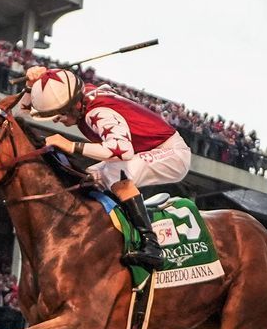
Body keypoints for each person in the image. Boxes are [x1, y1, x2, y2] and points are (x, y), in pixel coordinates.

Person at [22, 66, 192, 270]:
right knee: (87, 178)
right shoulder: (79, 95)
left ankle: (152, 246)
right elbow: (24, 112)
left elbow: (123, 151)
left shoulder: (98, 113)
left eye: (60, 115)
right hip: (143, 149)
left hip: (172, 153)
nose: (58, 121)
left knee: (117, 174)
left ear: (74, 106)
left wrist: (71, 145)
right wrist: (31, 86)